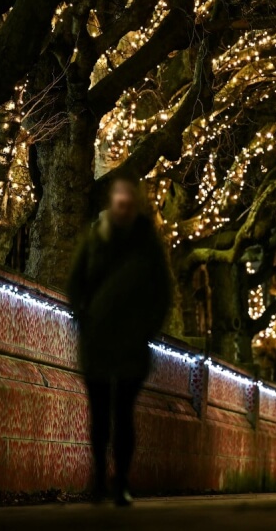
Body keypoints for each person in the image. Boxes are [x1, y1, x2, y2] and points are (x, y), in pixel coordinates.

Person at [67, 175, 169, 506]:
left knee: (123, 413)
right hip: (97, 339)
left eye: (128, 201)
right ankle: (99, 478)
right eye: (118, 201)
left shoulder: (148, 245)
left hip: (131, 343)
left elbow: (162, 293)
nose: (122, 207)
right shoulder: (96, 236)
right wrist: (82, 315)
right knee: (99, 413)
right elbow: (76, 280)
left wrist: (146, 329)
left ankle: (120, 480)